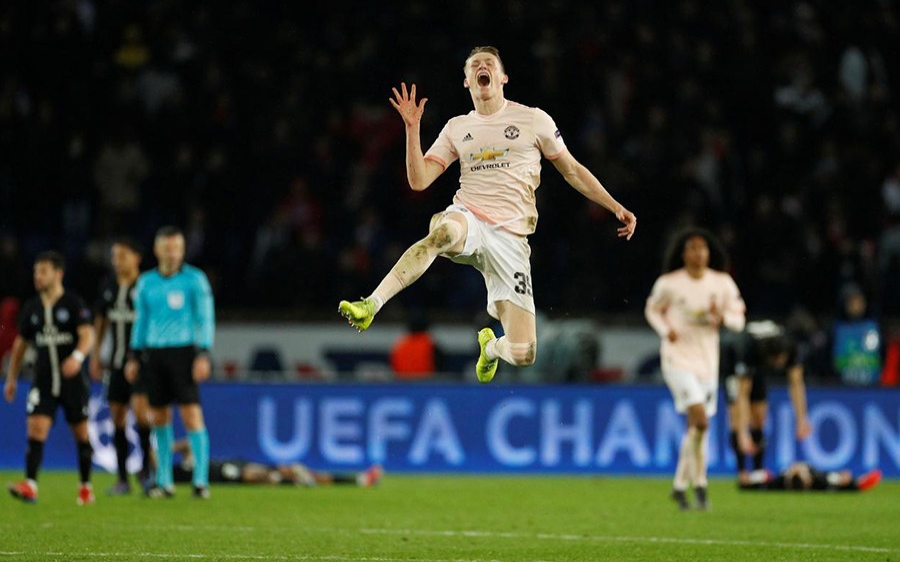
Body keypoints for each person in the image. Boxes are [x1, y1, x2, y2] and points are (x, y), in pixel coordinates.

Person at [339, 46, 637, 383]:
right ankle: (371, 305)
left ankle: (491, 348)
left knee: (525, 353)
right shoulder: (457, 128)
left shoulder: (533, 120)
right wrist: (412, 129)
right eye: (475, 65)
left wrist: (615, 206)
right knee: (442, 234)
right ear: (467, 81)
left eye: (489, 64)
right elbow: (419, 180)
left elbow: (572, 171)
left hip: (511, 240)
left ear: (503, 77)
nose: (482, 67)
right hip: (470, 217)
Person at [644, 228, 746, 511]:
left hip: (707, 363)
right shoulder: (670, 284)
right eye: (692, 248)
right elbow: (652, 309)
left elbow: (739, 320)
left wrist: (722, 317)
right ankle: (692, 485)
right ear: (683, 253)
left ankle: (690, 486)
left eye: (703, 248)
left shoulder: (722, 283)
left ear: (709, 253)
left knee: (698, 429)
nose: (698, 253)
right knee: (700, 421)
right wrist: (667, 330)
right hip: (677, 359)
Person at [126, 226, 215, 499]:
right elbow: (141, 321)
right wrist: (134, 355)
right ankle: (164, 481)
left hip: (184, 353)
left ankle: (200, 481)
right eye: (168, 248)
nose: (173, 253)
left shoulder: (195, 280)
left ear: (183, 250)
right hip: (154, 354)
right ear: (157, 250)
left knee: (191, 415)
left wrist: (203, 353)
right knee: (159, 417)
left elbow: (205, 318)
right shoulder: (146, 283)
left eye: (177, 248)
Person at [4, 251, 97, 505]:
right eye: (35, 271)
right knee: (36, 428)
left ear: (58, 274)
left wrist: (77, 357)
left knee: (81, 433)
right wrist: (11, 378)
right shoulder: (32, 308)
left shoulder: (73, 303)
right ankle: (30, 485)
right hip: (43, 380)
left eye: (43, 271)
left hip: (72, 381)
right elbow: (20, 345)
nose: (38, 276)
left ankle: (86, 486)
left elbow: (88, 335)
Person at [90, 237, 155, 495]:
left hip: (142, 364)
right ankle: (122, 478)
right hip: (116, 363)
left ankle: (148, 472)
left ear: (136, 258)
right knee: (117, 416)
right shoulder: (108, 286)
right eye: (115, 256)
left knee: (141, 415)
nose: (117, 261)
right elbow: (101, 320)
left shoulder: (146, 286)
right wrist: (95, 355)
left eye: (123, 256)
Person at [722, 319, 811, 481]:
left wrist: (801, 419)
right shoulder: (749, 349)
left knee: (759, 416)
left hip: (758, 366)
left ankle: (757, 470)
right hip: (732, 362)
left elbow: (796, 383)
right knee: (736, 414)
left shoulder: (790, 347)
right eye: (777, 361)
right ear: (770, 357)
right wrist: (742, 433)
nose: (780, 365)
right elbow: (743, 394)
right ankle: (741, 471)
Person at [170, 439, 384, 488]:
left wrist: (168, 448)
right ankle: (359, 480)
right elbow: (246, 476)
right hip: (226, 472)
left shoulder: (185, 462)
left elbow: (187, 444)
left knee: (297, 471)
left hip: (232, 463)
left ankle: (359, 479)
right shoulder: (175, 473)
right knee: (270, 476)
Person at [739, 462, 882, 492]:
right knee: (840, 481)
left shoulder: (778, 481)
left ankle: (858, 483)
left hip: (784, 482)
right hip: (821, 480)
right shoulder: (819, 480)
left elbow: (749, 483)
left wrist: (750, 479)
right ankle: (858, 483)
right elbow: (836, 479)